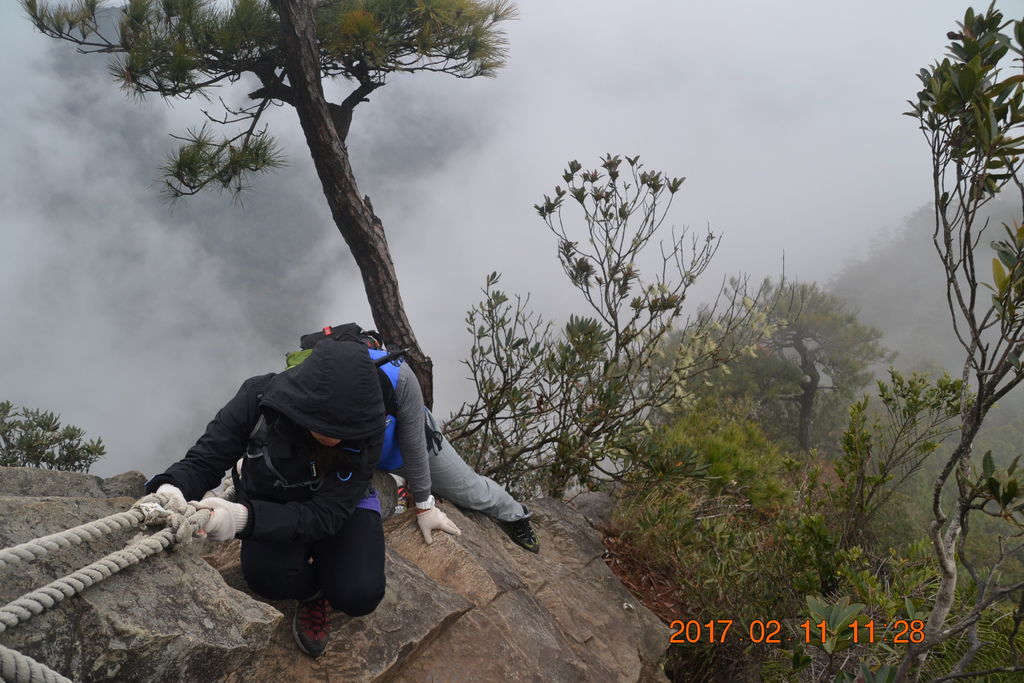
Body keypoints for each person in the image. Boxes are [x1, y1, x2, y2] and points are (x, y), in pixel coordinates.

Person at [143, 339, 461, 658]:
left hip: (339, 505)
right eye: (325, 425)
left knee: (361, 594)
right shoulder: (258, 399)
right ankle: (313, 595)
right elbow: (206, 458)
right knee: (267, 579)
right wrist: (170, 488)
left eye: (345, 429)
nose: (336, 436)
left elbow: (326, 514)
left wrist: (242, 519)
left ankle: (326, 573)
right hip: (274, 496)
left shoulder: (368, 420)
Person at [296, 324, 540, 554]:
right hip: (349, 454)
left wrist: (424, 505)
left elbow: (413, 443)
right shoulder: (313, 383)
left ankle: (516, 515)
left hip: (402, 449)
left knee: (472, 492)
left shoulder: (398, 377)